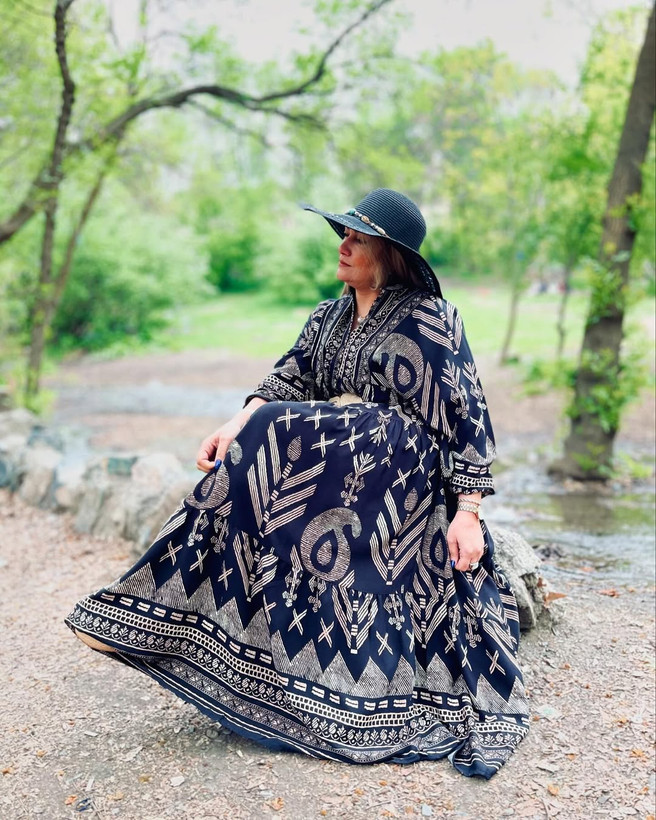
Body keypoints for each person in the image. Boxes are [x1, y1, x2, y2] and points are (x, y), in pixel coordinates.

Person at [67, 188, 529, 778]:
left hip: (401, 470)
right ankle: (177, 615)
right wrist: (232, 426)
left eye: (358, 238)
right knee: (253, 449)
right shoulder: (326, 317)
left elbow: (467, 414)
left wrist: (468, 512)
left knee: (288, 428)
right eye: (344, 234)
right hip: (337, 463)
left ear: (389, 253)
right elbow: (285, 381)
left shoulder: (432, 319)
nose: (343, 245)